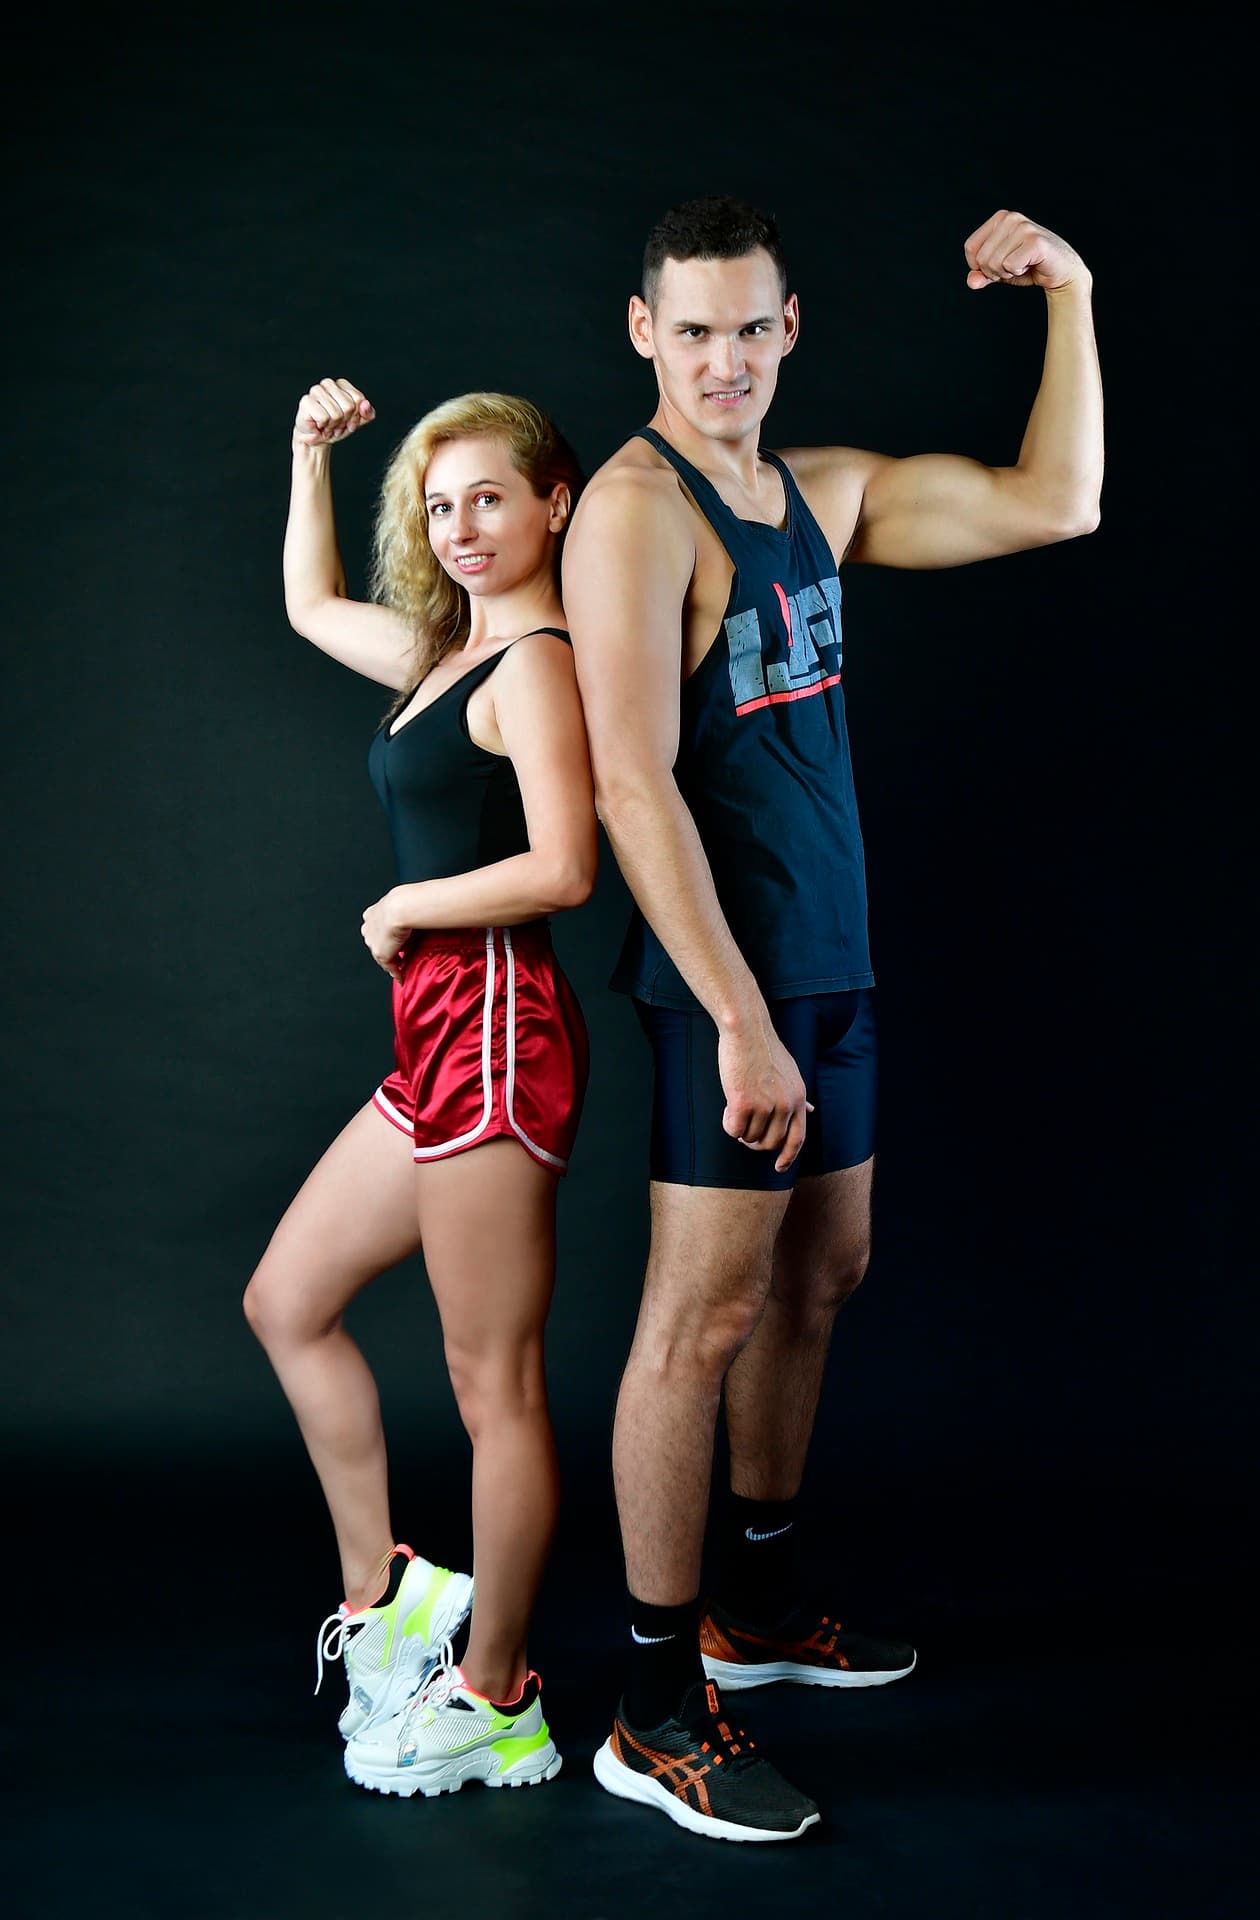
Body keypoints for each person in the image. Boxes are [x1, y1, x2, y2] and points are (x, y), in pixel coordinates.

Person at [563, 198, 1103, 1842]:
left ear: (790, 330)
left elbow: (1056, 504)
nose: (724, 360)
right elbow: (631, 781)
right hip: (733, 984)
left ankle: (758, 1609)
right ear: (643, 333)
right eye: (694, 330)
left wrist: (1070, 297)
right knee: (697, 1327)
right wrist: (737, 1019)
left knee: (824, 1278)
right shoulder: (640, 516)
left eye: (752, 328)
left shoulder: (816, 492)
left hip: (833, 965)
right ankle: (656, 1707)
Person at [243, 378, 595, 1800]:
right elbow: (310, 606)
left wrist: (412, 901)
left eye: (488, 498)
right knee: (288, 1301)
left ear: (553, 503)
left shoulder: (539, 668)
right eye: (438, 506)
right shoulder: (446, 658)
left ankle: (498, 1694)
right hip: (436, 1036)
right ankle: (392, 1605)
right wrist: (304, 457)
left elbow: (567, 864)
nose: (458, 528)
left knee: (489, 1384)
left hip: (501, 1028)